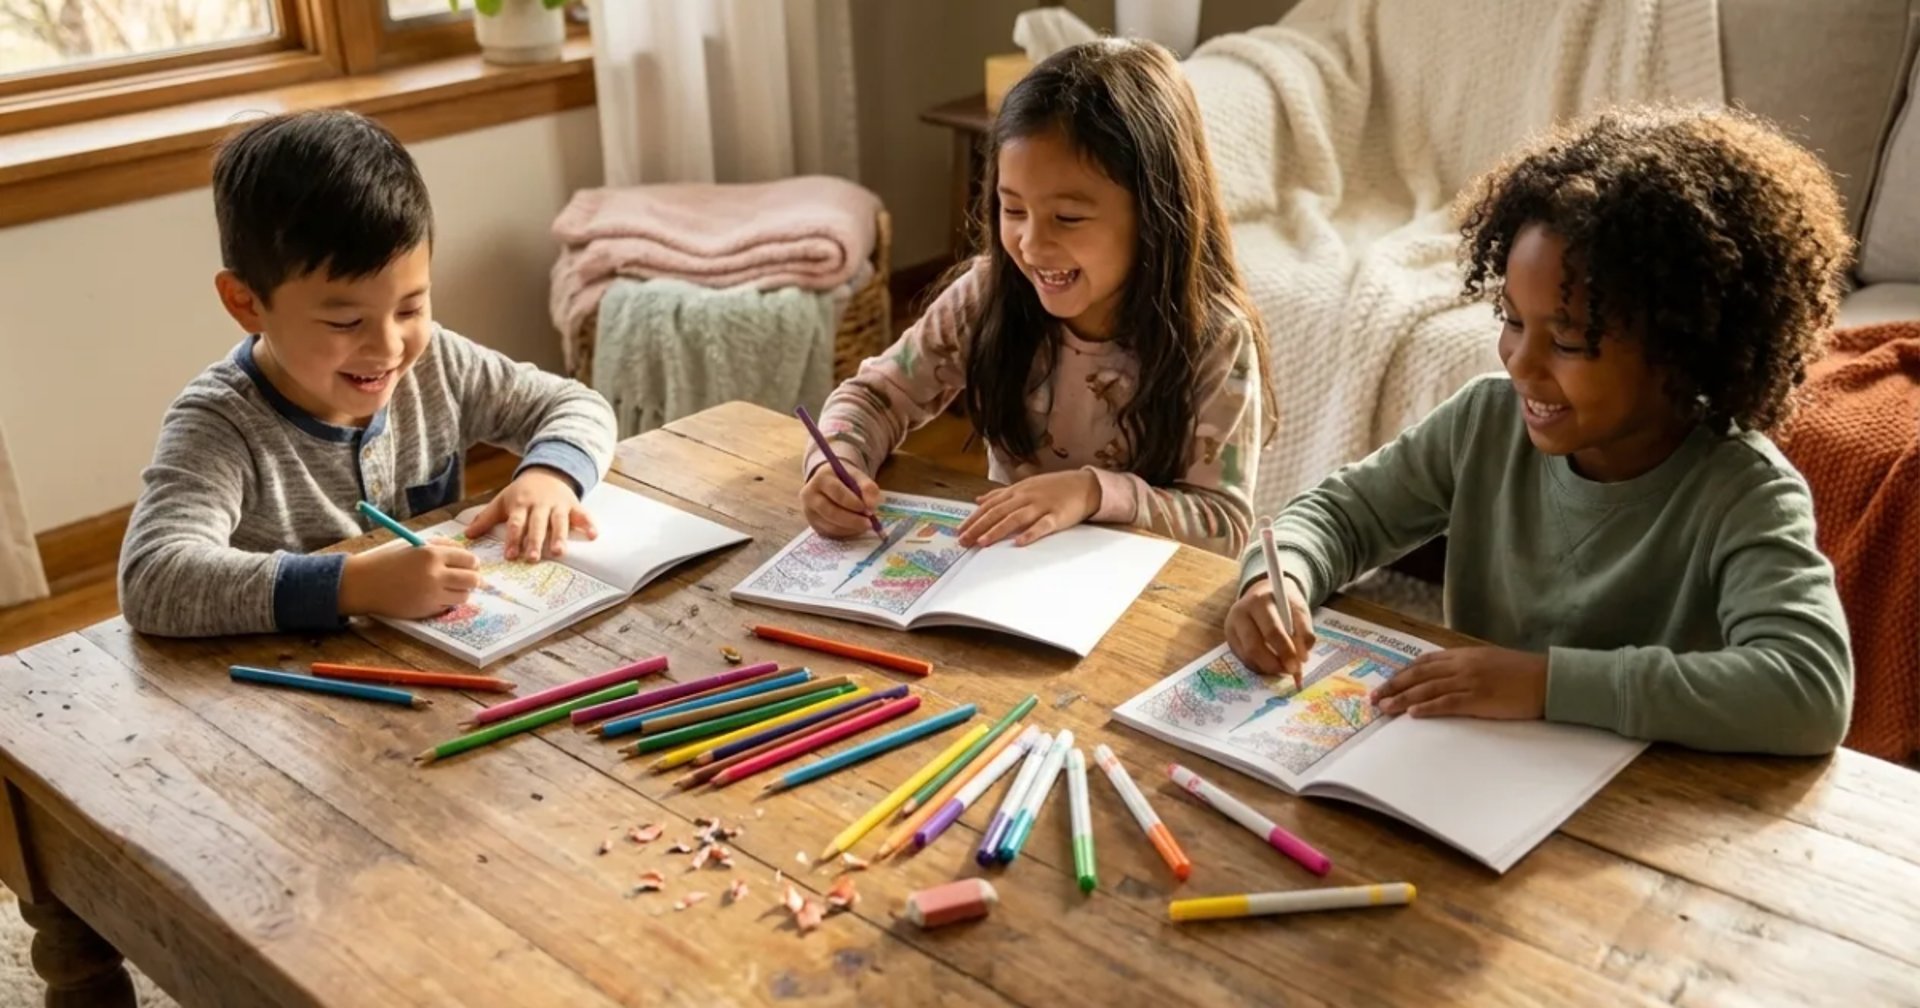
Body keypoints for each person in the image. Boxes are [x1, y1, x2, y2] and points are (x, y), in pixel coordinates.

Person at [1226, 105, 1855, 755]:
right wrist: (1278, 582)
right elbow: (1337, 515)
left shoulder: (1744, 494)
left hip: (1641, 802)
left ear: (1681, 348)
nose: (1520, 364)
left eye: (1570, 342)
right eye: (1512, 320)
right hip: (1474, 764)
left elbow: (1807, 689)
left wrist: (1546, 684)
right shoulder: (1485, 421)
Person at [119, 110, 615, 637]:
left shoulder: (436, 364)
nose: (387, 347)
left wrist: (551, 476)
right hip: (290, 694)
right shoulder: (220, 424)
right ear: (246, 303)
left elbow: (576, 405)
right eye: (345, 321)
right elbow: (153, 578)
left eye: (409, 309)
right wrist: (350, 585)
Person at [799, 38, 1274, 557]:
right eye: (1013, 209)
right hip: (1003, 579)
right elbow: (872, 397)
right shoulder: (986, 297)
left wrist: (1092, 492)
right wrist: (835, 462)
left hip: (1141, 603)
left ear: (1156, 214)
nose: (1031, 245)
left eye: (1067, 218)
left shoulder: (1216, 339)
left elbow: (1223, 526)